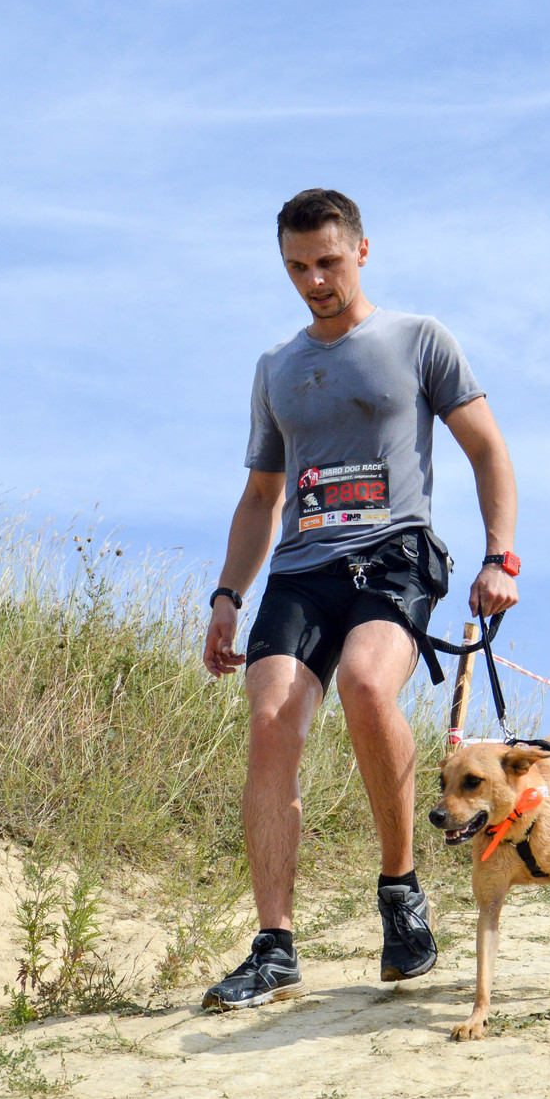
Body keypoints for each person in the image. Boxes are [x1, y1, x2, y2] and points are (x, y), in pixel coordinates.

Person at [199, 188, 521, 1012]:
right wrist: (228, 596)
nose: (315, 281)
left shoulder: (418, 340)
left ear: (362, 252)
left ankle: (400, 891)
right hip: (301, 569)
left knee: (368, 683)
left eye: (328, 262)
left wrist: (500, 558)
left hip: (392, 554)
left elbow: (488, 450)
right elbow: (261, 497)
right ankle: (274, 947)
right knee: (269, 724)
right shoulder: (276, 369)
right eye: (297, 267)